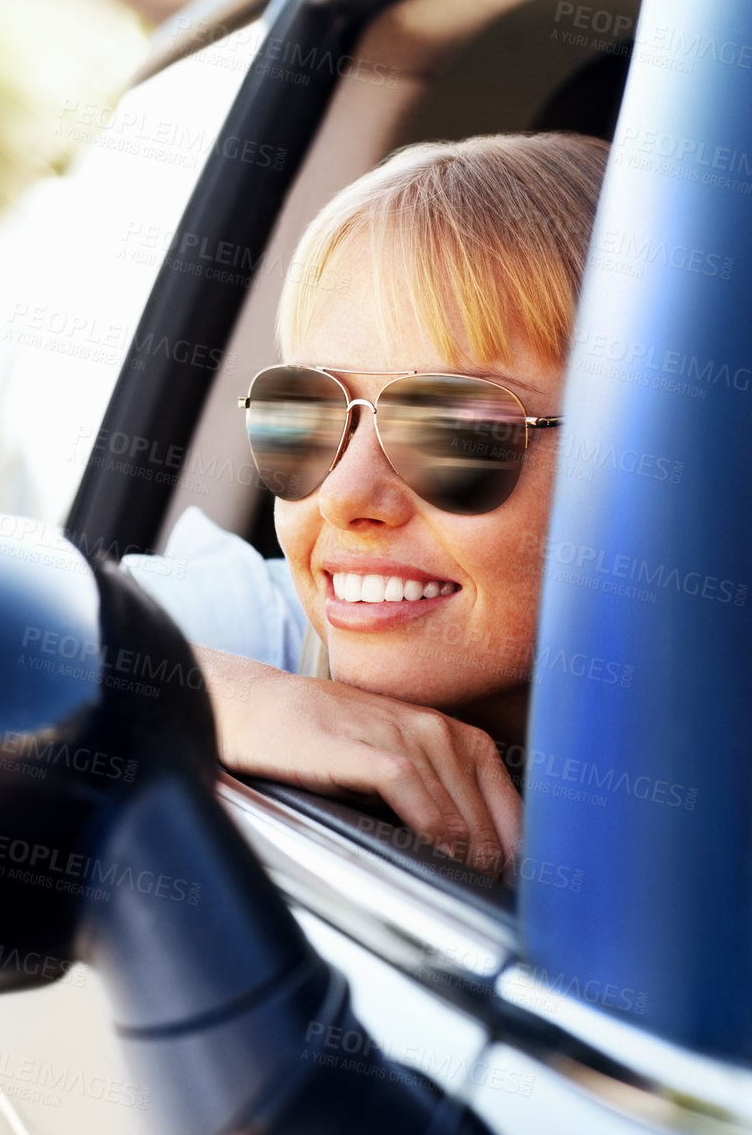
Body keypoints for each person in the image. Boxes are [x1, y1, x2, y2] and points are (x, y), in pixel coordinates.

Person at [124, 132, 610, 876]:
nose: (346, 494)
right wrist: (229, 701)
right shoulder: (270, 639)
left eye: (455, 430)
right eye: (307, 415)